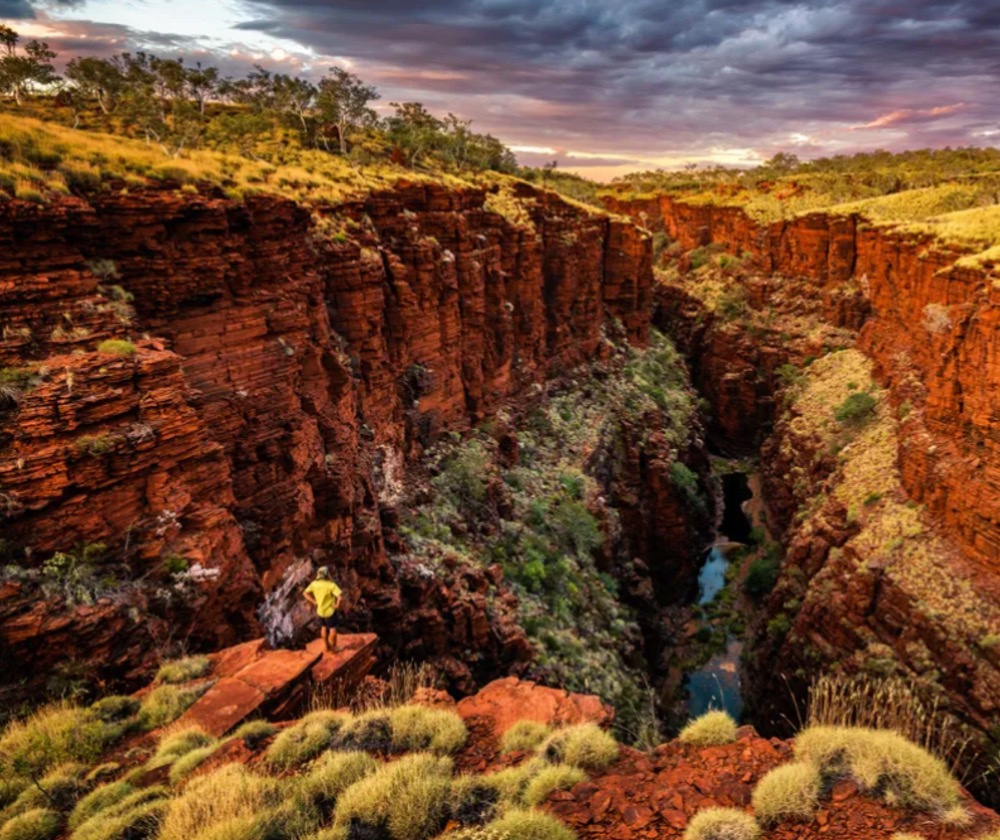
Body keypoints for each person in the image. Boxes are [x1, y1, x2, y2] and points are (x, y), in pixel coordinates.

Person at [303, 566, 342, 653]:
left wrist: (314, 602)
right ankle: (334, 648)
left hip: (320, 611)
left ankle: (326, 646)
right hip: (330, 611)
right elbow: (340, 597)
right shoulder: (331, 585)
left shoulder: (314, 584)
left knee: (323, 628)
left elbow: (305, 593)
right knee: (332, 629)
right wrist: (337, 605)